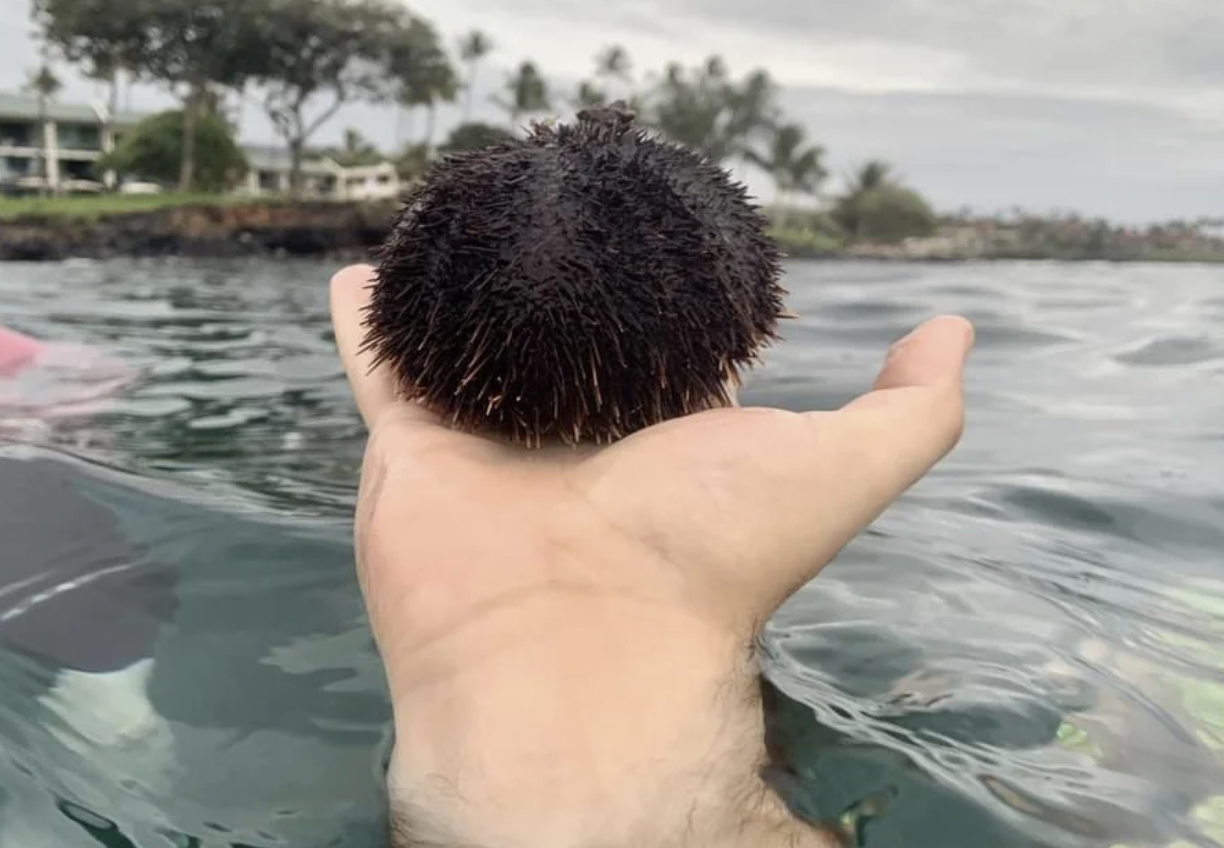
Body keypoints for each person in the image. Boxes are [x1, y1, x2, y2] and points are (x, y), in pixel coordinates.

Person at [329, 264, 976, 848]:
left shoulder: (408, 454)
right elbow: (932, 387)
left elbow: (354, 284)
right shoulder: (743, 478)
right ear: (724, 353)